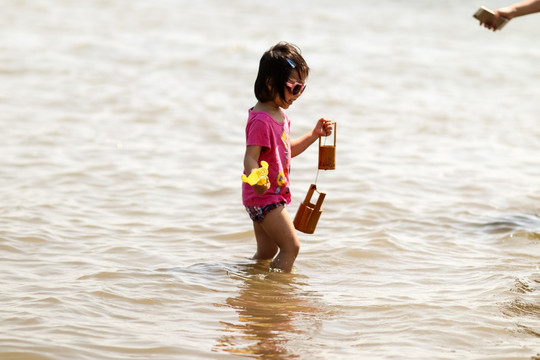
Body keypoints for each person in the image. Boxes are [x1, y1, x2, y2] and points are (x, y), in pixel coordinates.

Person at [242, 42, 333, 273]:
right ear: (271, 83)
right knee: (291, 247)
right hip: (265, 196)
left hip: (266, 197)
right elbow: (250, 158)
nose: (297, 95)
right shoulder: (262, 120)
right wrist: (256, 179)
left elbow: (286, 150)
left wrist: (314, 135)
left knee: (267, 253)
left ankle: (251, 283)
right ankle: (277, 294)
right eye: (294, 88)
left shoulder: (279, 115)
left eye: (302, 89)